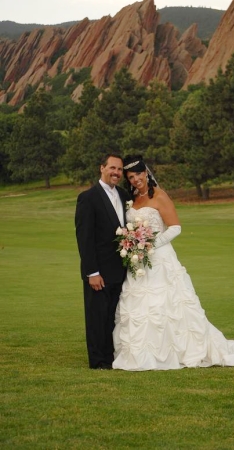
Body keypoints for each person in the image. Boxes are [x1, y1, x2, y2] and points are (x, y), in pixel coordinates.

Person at [112, 155, 234, 371]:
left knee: (168, 306)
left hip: (160, 259)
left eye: (138, 174)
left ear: (146, 172)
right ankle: (142, 353)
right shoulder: (133, 199)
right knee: (141, 306)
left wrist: (149, 245)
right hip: (139, 264)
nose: (136, 179)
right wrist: (134, 245)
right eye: (131, 176)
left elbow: (175, 227)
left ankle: (178, 351)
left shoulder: (159, 196)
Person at [75, 154, 130, 370]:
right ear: (102, 168)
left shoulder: (124, 195)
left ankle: (110, 357)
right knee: (97, 317)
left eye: (119, 170)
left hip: (120, 270)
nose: (116, 172)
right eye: (112, 168)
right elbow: (85, 238)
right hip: (98, 272)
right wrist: (92, 272)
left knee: (112, 317)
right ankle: (98, 361)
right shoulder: (88, 198)